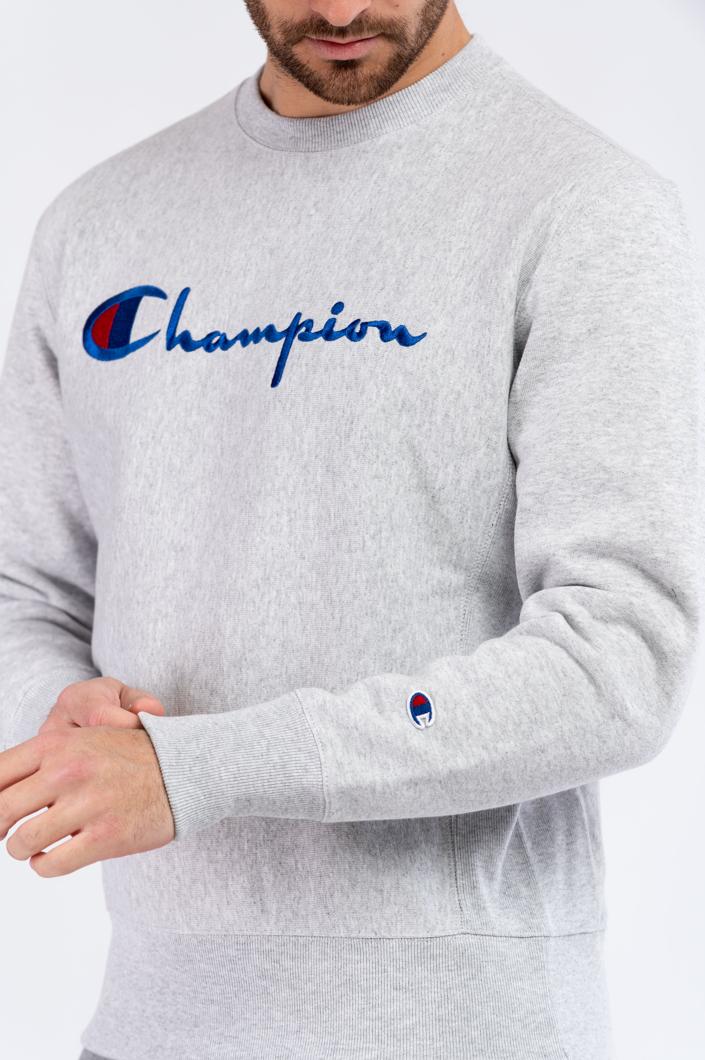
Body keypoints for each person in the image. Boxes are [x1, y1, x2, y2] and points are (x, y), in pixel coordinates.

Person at [0, 2, 702, 1058]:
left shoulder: (583, 205)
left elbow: (620, 661)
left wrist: (203, 767)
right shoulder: (98, 222)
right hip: (146, 1029)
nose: (335, 10)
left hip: (463, 1034)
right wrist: (56, 714)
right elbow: (24, 588)